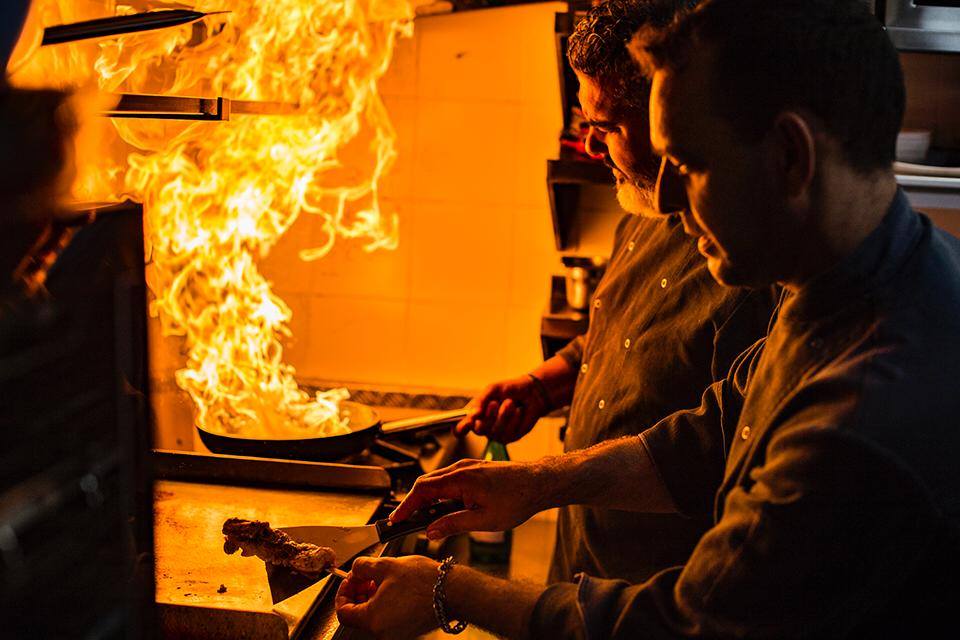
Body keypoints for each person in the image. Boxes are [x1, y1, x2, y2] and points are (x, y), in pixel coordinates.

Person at [335, 0, 960, 638]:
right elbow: (716, 431)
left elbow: (683, 627)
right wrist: (537, 483)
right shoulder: (847, 282)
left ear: (788, 155)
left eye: (687, 165)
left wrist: (450, 590)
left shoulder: (863, 414)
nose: (660, 196)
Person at [455, 0, 775, 586]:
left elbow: (711, 447)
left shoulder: (753, 264)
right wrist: (543, 383)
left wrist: (455, 592)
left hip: (663, 583)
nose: (590, 147)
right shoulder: (640, 207)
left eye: (606, 127)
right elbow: (618, 337)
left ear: (668, 114)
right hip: (584, 559)